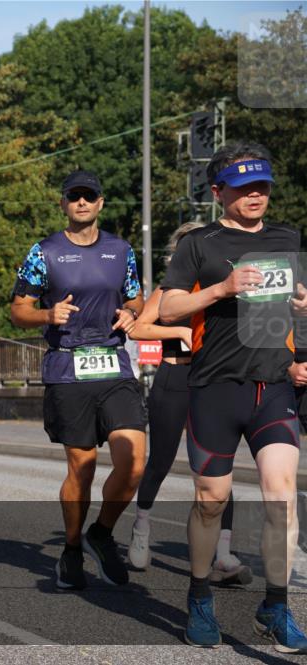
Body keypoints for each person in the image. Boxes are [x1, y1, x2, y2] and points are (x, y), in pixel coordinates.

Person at [159, 142, 307, 651]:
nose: (256, 195)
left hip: (273, 386)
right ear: (218, 192)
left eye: (262, 185)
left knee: (281, 494)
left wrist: (305, 306)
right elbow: (171, 306)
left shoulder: (288, 237)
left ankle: (276, 606)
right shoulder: (198, 244)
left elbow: (293, 309)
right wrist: (220, 290)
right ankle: (200, 597)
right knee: (210, 500)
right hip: (215, 387)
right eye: (243, 188)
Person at [11, 170, 146, 589]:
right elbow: (18, 310)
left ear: (101, 203)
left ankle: (100, 534)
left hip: (113, 364)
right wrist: (47, 315)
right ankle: (71, 548)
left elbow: (135, 295)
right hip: (68, 369)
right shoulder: (44, 252)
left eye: (90, 196)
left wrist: (133, 312)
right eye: (75, 197)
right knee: (82, 468)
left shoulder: (120, 250)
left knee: (134, 462)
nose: (82, 203)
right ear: (63, 203)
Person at [127, 222, 250, 585]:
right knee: (161, 460)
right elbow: (138, 328)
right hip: (175, 378)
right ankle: (142, 527)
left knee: (219, 471)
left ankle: (223, 553)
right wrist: (181, 331)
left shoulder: (225, 289)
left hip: (213, 381)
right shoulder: (168, 290)